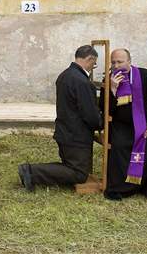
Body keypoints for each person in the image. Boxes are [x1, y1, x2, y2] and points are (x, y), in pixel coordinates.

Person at [19, 45, 103, 191]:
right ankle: (32, 172)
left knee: (72, 167)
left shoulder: (65, 75)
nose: (92, 68)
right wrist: (101, 123)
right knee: (79, 174)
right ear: (90, 59)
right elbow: (89, 114)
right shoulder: (82, 82)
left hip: (65, 131)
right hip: (76, 136)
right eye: (93, 64)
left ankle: (32, 171)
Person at [104, 48, 147, 200]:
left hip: (144, 123)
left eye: (120, 62)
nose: (116, 66)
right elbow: (105, 110)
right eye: (113, 62)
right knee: (119, 145)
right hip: (121, 125)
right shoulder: (109, 79)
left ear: (129, 62)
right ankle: (120, 189)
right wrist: (112, 89)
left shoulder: (144, 75)